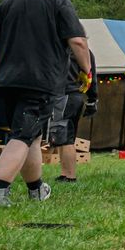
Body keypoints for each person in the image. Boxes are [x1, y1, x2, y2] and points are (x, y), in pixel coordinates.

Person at [0, 0, 90, 208]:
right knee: (22, 136)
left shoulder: (9, 2)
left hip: (5, 82)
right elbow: (78, 41)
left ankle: (36, 190)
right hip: (39, 83)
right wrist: (87, 71)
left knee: (31, 137)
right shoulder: (59, 3)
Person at [47, 45, 93, 185]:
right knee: (65, 137)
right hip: (76, 96)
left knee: (65, 138)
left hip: (65, 95)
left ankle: (69, 176)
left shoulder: (60, 49)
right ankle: (65, 173)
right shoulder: (86, 52)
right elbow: (92, 75)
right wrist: (92, 99)